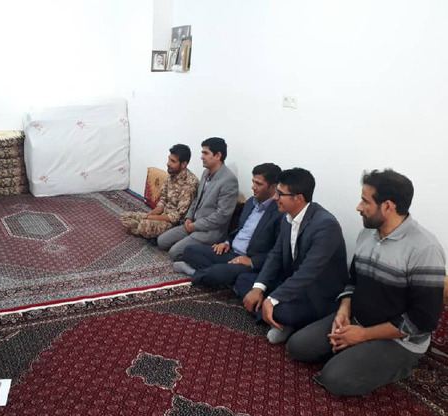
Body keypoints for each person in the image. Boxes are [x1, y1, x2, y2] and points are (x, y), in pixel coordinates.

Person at [287, 170, 446, 396]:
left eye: (365, 201)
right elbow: (353, 281)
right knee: (297, 347)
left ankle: (398, 365)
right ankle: (353, 349)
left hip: (399, 340)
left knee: (334, 379)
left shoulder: (424, 248)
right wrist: (343, 311)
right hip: (357, 319)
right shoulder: (367, 234)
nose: (358, 207)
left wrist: (363, 335)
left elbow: (422, 321)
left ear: (387, 206)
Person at [242, 168, 348, 344]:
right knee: (244, 280)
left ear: (298, 198)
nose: (275, 198)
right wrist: (259, 289)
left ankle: (281, 320)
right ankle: (273, 316)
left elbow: (308, 272)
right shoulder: (287, 217)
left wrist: (272, 299)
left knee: (281, 310)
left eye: (280, 194)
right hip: (292, 283)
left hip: (316, 293)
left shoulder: (325, 225)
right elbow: (275, 255)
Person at [178, 163, 283, 294]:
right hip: (231, 252)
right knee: (190, 251)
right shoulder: (251, 202)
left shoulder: (279, 212)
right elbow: (239, 230)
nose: (253, 187)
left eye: (258, 184)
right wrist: (227, 243)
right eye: (253, 182)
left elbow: (277, 251)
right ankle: (226, 277)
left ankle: (197, 273)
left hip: (247, 260)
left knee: (216, 272)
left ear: (273, 186)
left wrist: (251, 261)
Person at [158, 137, 239, 262]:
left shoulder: (229, 180)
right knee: (161, 242)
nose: (202, 157)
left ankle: (202, 256)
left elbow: (222, 215)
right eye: (202, 153)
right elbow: (196, 199)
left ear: (218, 155)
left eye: (205, 153)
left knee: (174, 253)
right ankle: (191, 246)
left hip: (209, 231)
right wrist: (189, 217)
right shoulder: (206, 173)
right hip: (192, 224)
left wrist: (195, 226)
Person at [121, 144, 198, 239]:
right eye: (169, 159)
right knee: (126, 216)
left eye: (173, 161)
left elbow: (178, 216)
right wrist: (150, 214)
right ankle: (149, 233)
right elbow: (162, 201)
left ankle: (156, 235)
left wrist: (151, 218)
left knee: (143, 225)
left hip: (173, 223)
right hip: (162, 215)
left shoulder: (190, 183)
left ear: (183, 164)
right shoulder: (172, 174)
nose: (168, 163)